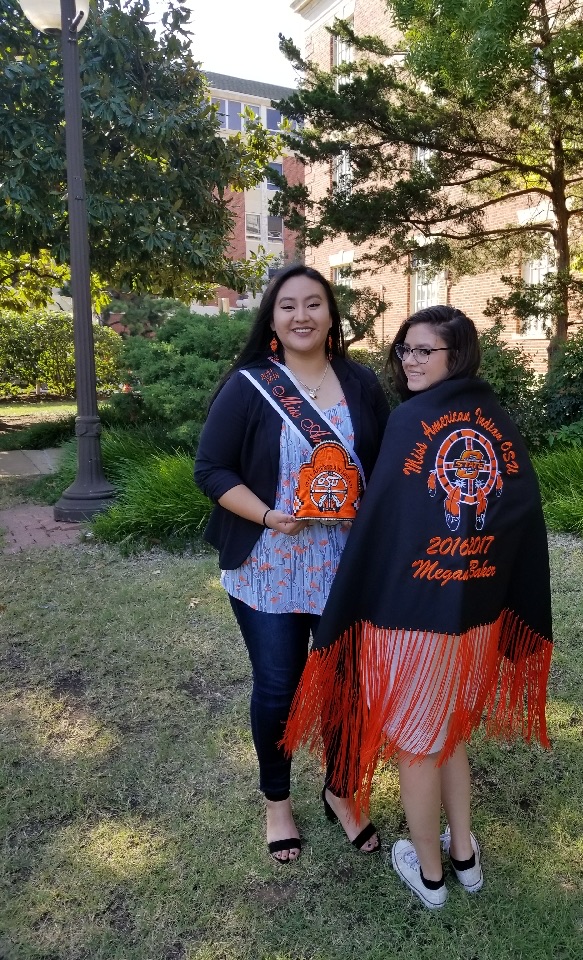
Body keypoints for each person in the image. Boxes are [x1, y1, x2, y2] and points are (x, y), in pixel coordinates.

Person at [282, 305, 553, 906]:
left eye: (422, 351)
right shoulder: (498, 424)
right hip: (475, 616)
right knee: (450, 732)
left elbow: (386, 525)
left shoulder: (411, 422)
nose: (408, 361)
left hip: (411, 619)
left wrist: (361, 595)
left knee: (416, 742)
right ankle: (465, 857)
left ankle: (429, 874)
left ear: (456, 356)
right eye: (405, 349)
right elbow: (516, 518)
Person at [194, 264, 390, 863]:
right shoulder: (251, 384)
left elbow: (386, 471)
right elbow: (212, 470)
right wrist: (269, 515)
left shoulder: (361, 385)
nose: (301, 315)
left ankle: (342, 789)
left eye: (313, 304)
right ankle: (277, 801)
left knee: (349, 689)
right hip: (269, 564)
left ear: (332, 315)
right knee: (279, 686)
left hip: (346, 566)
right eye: (287, 306)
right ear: (272, 320)